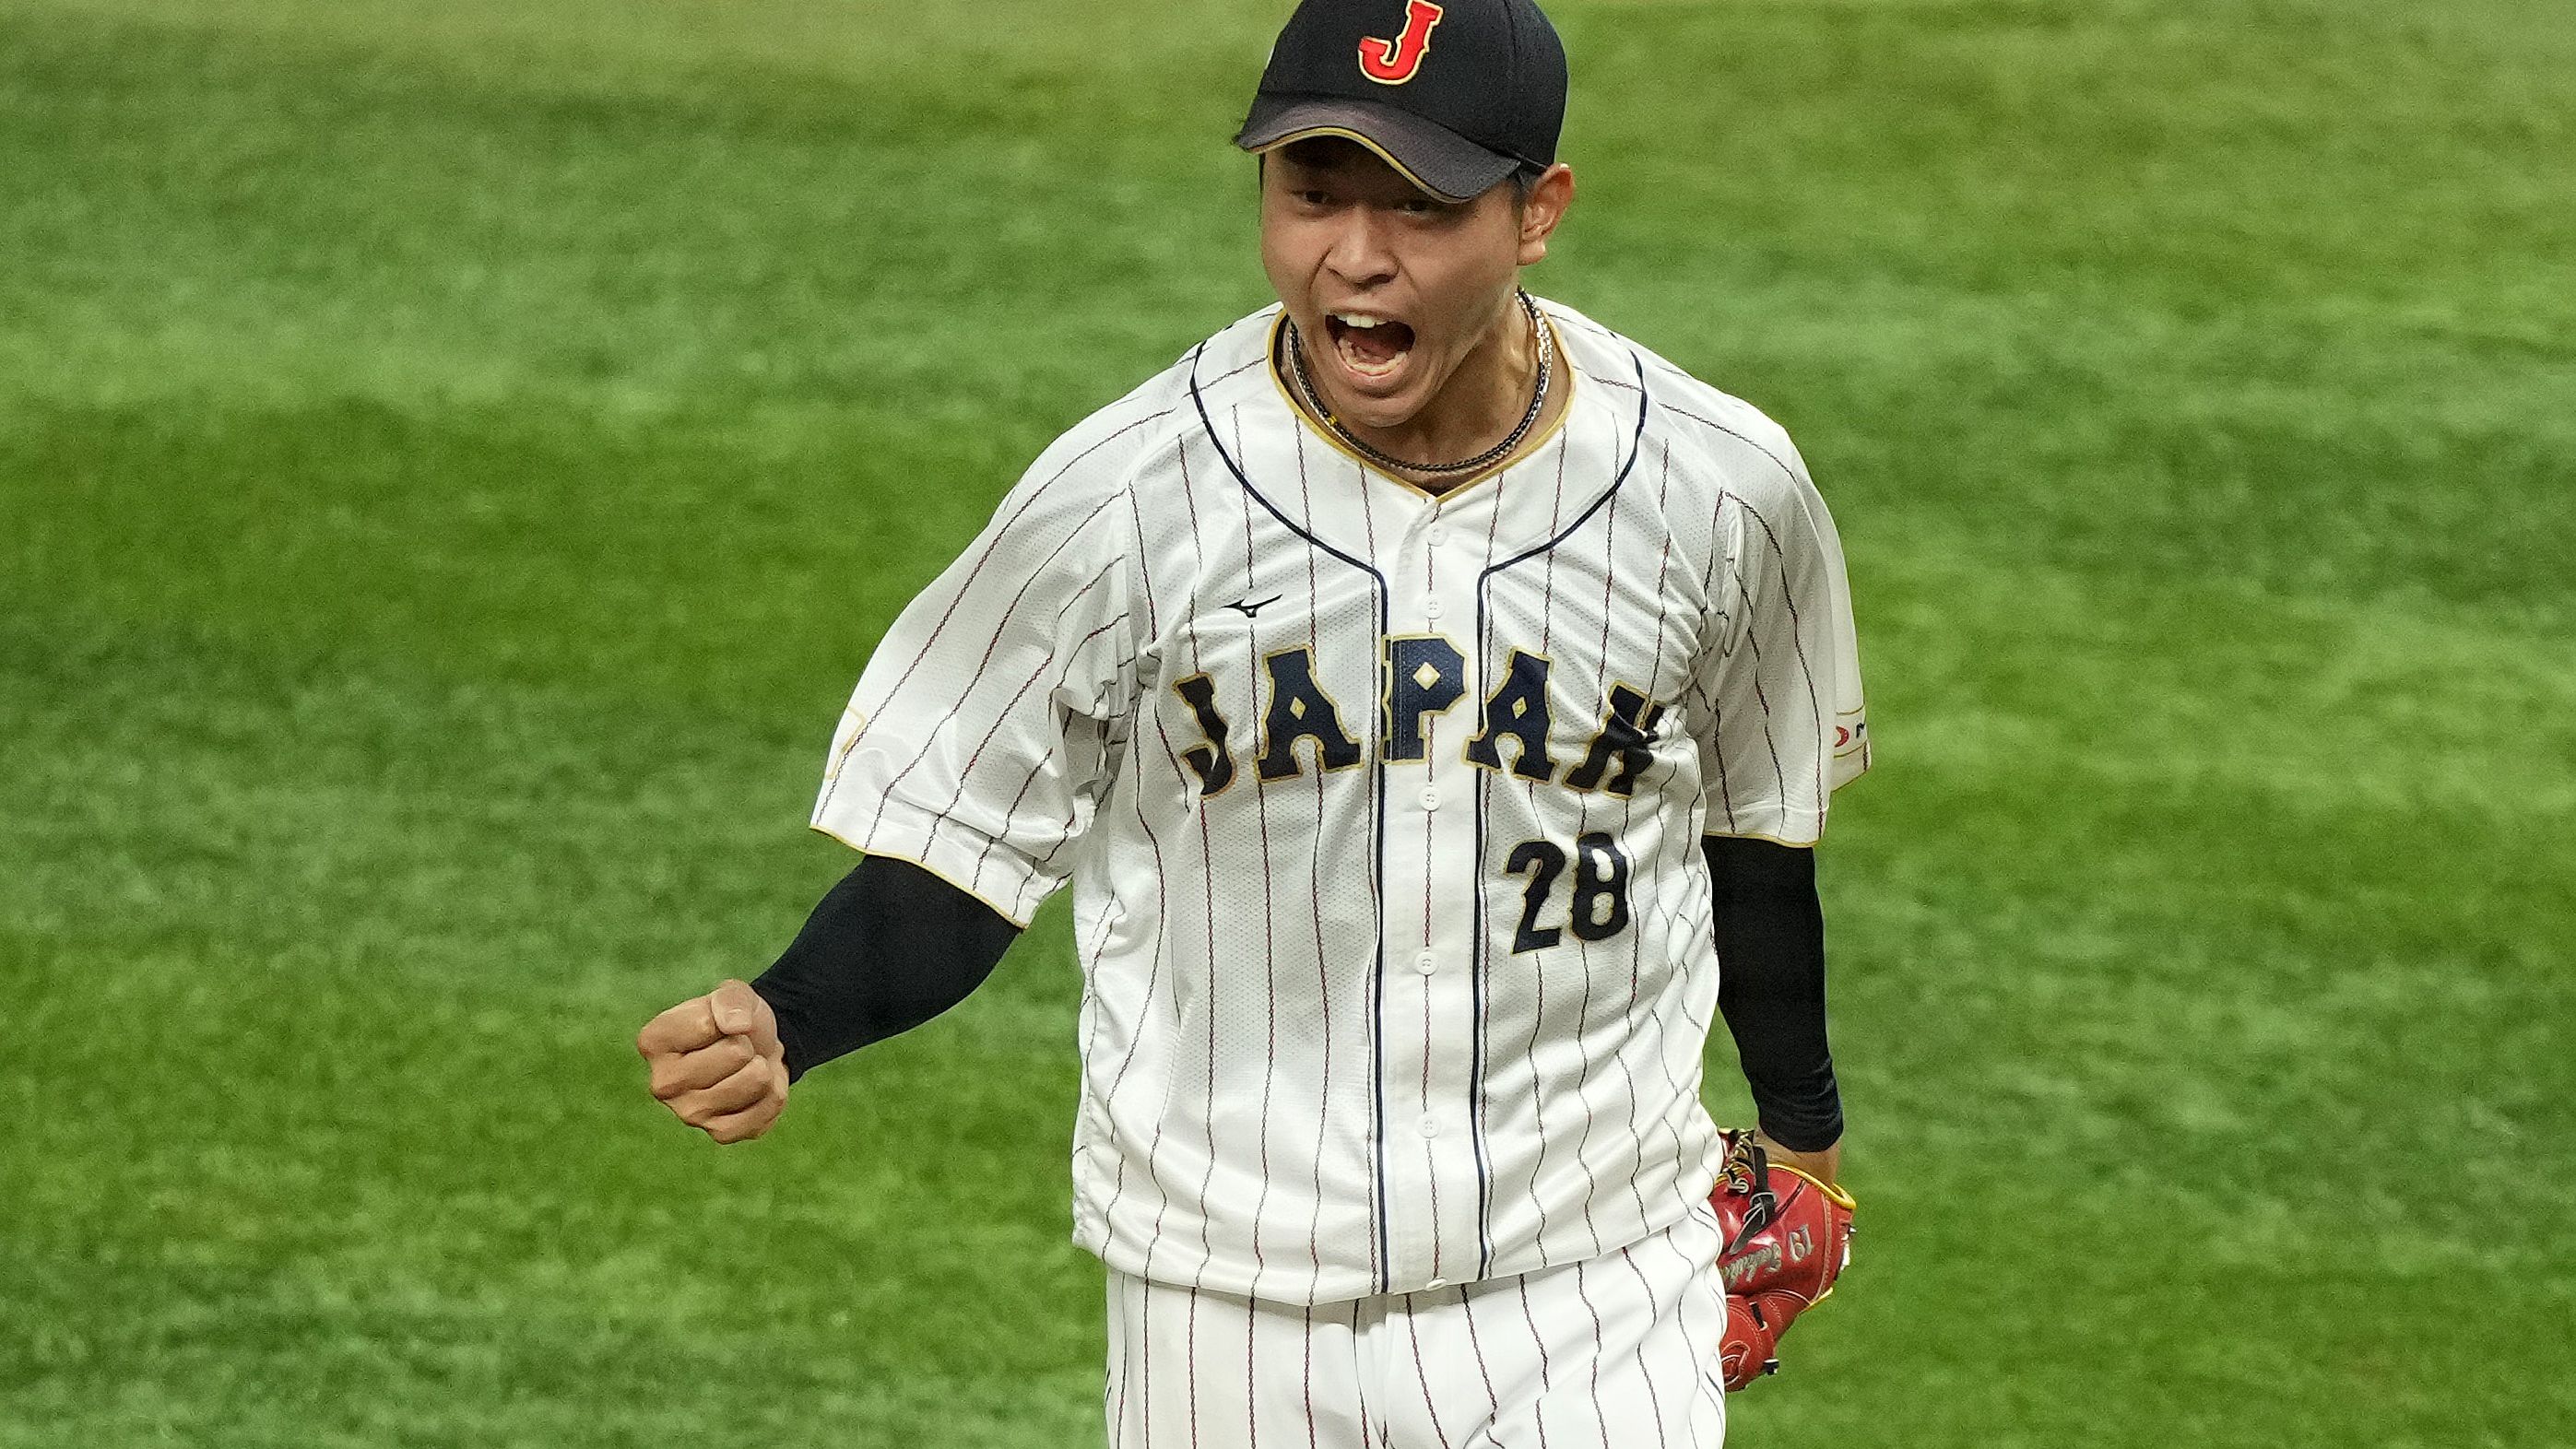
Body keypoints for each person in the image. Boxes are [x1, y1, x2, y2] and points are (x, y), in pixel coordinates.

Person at [634, 0, 1871, 1442]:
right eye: (1311, 192)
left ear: (1537, 211)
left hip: (1590, 1287)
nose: (1354, 252)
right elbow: (964, 850)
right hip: (1217, 1306)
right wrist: (789, 1016)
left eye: (1418, 205)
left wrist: (1806, 1139)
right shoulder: (1124, 497)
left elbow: (1754, 842)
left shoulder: (1721, 489)